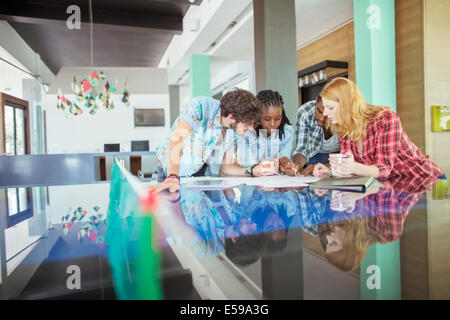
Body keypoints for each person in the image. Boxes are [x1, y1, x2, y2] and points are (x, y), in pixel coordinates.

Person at [313, 78, 444, 180]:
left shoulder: (385, 118)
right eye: (325, 108)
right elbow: (350, 165)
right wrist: (330, 171)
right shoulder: (344, 127)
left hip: (424, 180)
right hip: (393, 184)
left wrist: (352, 167)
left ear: (348, 105)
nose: (325, 114)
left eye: (330, 108)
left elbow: (384, 168)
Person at [151, 89, 263, 194]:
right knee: (172, 211)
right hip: (170, 171)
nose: (252, 128)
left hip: (196, 173)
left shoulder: (233, 130)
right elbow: (177, 139)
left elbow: (226, 167)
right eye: (248, 123)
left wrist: (252, 170)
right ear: (231, 116)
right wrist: (172, 177)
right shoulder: (201, 106)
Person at [220, 90, 293, 177]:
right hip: (246, 181)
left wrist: (284, 165)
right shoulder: (242, 131)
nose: (273, 124)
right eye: (266, 119)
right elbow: (227, 167)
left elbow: (283, 159)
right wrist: (253, 170)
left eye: (278, 118)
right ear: (257, 116)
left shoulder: (287, 132)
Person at [288, 95, 340, 176]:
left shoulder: (342, 116)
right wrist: (297, 164)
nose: (322, 118)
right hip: (316, 155)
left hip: (339, 156)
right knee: (311, 171)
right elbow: (301, 149)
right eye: (319, 111)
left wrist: (328, 167)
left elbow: (347, 159)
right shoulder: (305, 112)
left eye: (326, 114)